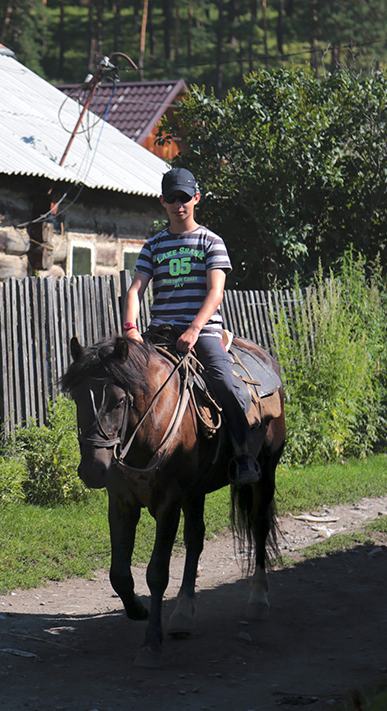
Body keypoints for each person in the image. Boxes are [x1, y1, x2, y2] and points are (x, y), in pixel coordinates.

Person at [122, 167, 260, 485]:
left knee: (224, 382)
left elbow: (216, 291)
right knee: (121, 383)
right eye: (171, 198)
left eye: (184, 197)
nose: (178, 204)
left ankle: (243, 457)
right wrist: (131, 329)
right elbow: (135, 290)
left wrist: (195, 328)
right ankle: (124, 459)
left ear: (196, 198)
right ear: (162, 201)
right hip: (158, 333)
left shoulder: (211, 242)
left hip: (203, 332)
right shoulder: (153, 246)